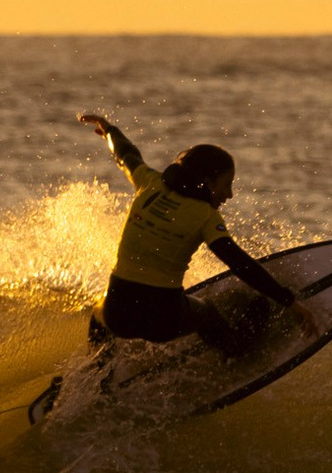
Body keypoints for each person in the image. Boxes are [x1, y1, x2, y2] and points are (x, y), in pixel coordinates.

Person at [75, 111, 314, 350]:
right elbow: (240, 264)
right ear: (208, 183)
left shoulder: (149, 183)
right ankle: (235, 352)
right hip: (164, 321)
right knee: (207, 311)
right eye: (226, 185)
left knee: (99, 310)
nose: (229, 195)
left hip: (119, 318)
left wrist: (109, 130)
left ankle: (95, 367)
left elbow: (126, 155)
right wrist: (290, 303)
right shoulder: (206, 216)